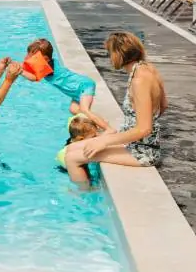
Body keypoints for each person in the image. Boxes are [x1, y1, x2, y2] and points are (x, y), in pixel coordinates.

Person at [64, 32, 166, 189]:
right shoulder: (148, 69)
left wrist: (104, 141)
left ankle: (84, 195)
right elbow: (163, 105)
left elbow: (145, 128)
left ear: (119, 54)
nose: (109, 58)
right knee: (70, 148)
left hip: (143, 152)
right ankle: (88, 183)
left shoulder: (139, 81)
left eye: (110, 53)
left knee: (71, 158)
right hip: (137, 143)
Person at [21, 38, 95, 113]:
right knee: (74, 110)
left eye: (34, 57)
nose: (30, 59)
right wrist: (13, 64)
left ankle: (105, 125)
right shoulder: (50, 62)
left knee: (85, 111)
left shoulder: (49, 68)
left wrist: (19, 70)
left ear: (45, 58)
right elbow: (29, 67)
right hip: (77, 90)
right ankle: (91, 123)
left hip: (83, 86)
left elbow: (33, 78)